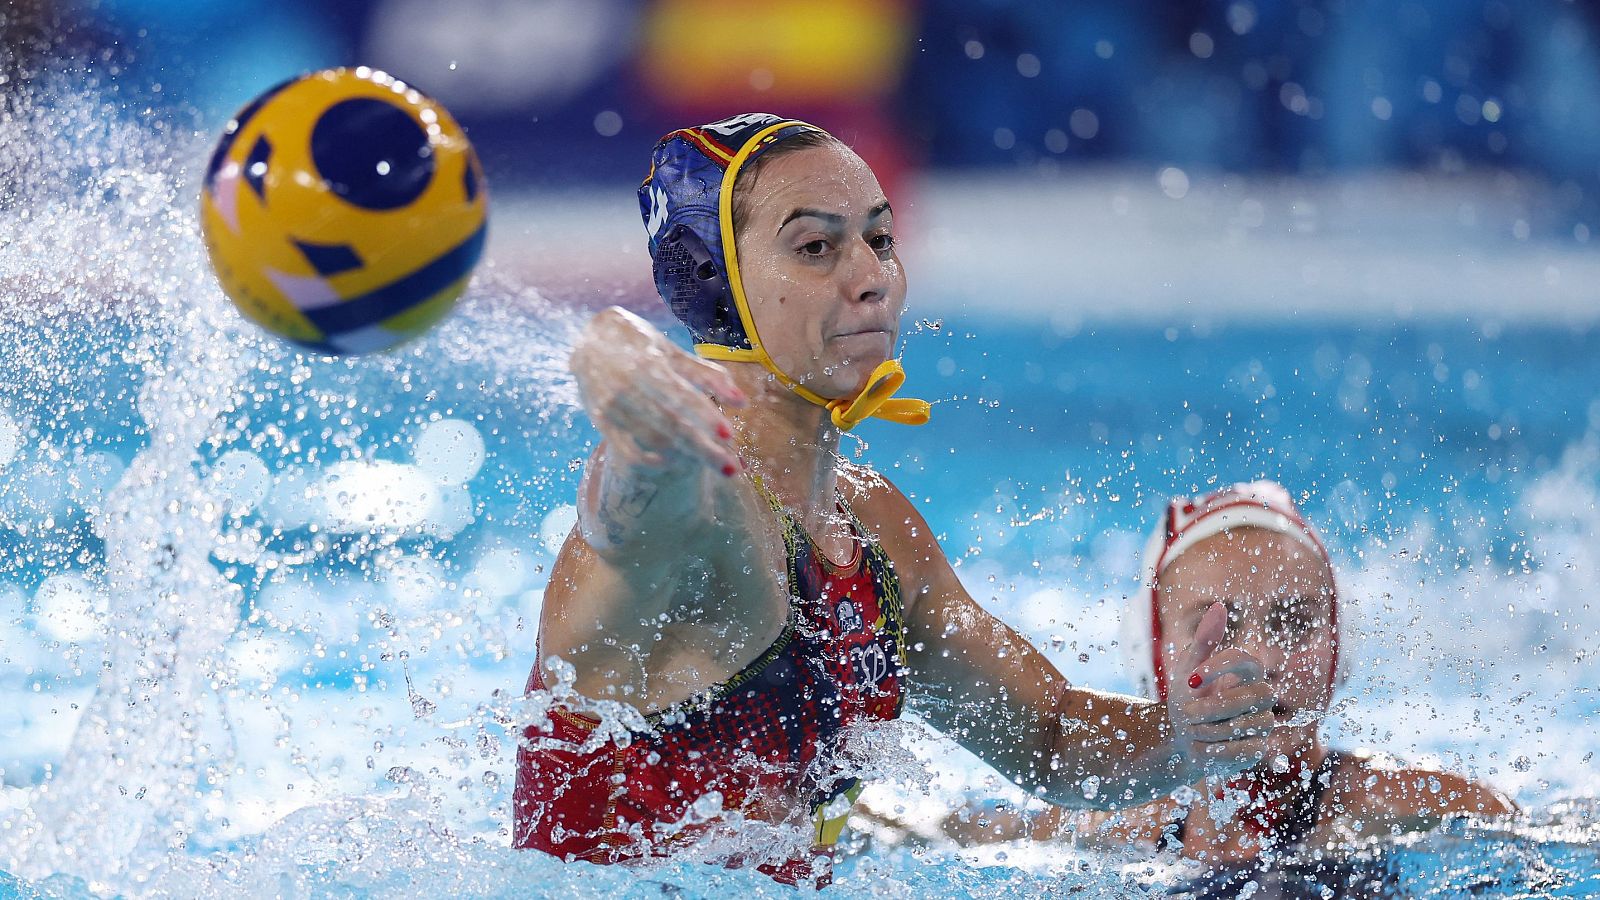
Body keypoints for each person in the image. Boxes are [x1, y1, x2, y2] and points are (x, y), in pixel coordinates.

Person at [511, 113, 1278, 886]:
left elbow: (1049, 735)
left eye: (879, 240)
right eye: (816, 247)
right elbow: (630, 511)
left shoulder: (870, 526)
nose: (871, 275)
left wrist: (1181, 738)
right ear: (717, 280)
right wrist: (610, 356)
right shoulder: (697, 504)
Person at [940, 481, 1515, 875]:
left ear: (1341, 649)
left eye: (1295, 622)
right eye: (1221, 626)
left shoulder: (1402, 805)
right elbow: (958, 829)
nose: (1263, 661)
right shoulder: (1119, 824)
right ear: (1157, 662)